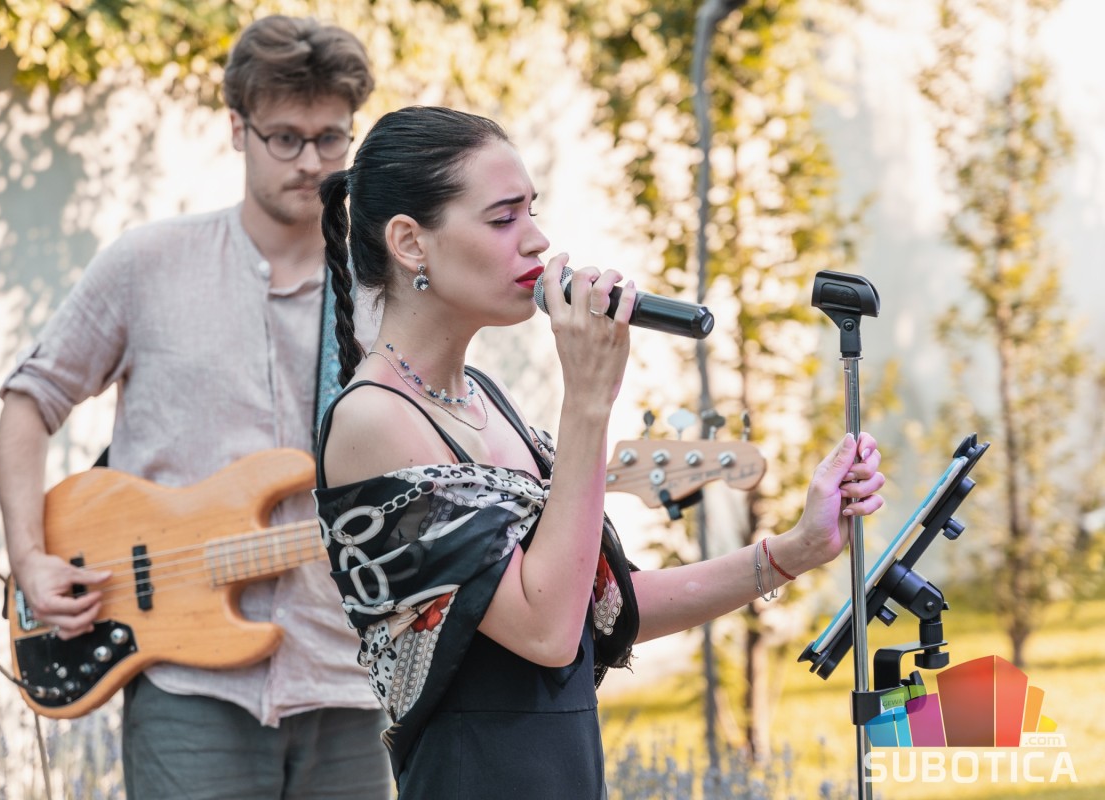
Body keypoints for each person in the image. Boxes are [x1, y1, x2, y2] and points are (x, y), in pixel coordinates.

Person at [310, 105, 887, 798]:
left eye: (532, 212)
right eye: (504, 218)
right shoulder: (374, 419)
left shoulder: (484, 398)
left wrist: (795, 549)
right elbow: (546, 632)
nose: (538, 240)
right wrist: (588, 399)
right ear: (410, 242)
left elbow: (603, 608)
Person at [0, 16, 393, 799]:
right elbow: (28, 401)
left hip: (345, 676)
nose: (311, 163)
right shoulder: (147, 264)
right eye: (285, 138)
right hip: (185, 687)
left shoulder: (387, 290)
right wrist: (30, 557)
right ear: (238, 129)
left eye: (330, 139)